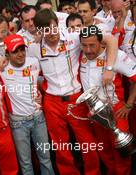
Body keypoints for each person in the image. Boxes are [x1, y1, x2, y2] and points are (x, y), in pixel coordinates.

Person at [27, 9, 118, 175]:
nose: (52, 33)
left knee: (87, 143)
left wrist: (110, 68)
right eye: (46, 30)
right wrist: (2, 61)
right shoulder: (33, 48)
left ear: (57, 24)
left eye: (53, 28)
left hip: (77, 99)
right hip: (52, 102)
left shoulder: (73, 36)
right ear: (40, 31)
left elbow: (111, 39)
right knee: (61, 145)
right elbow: (18, 63)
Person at [79, 25, 136, 175]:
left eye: (92, 45)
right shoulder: (80, 56)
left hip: (116, 112)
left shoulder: (116, 56)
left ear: (101, 42)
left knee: (121, 154)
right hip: (95, 115)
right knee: (104, 152)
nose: (88, 50)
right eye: (84, 45)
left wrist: (129, 105)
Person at [1, 34, 55, 175]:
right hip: (18, 123)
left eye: (22, 50)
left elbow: (49, 77)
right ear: (7, 54)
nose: (20, 54)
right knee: (25, 163)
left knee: (46, 158)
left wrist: (42, 95)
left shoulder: (34, 62)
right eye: (15, 51)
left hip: (38, 118)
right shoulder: (1, 68)